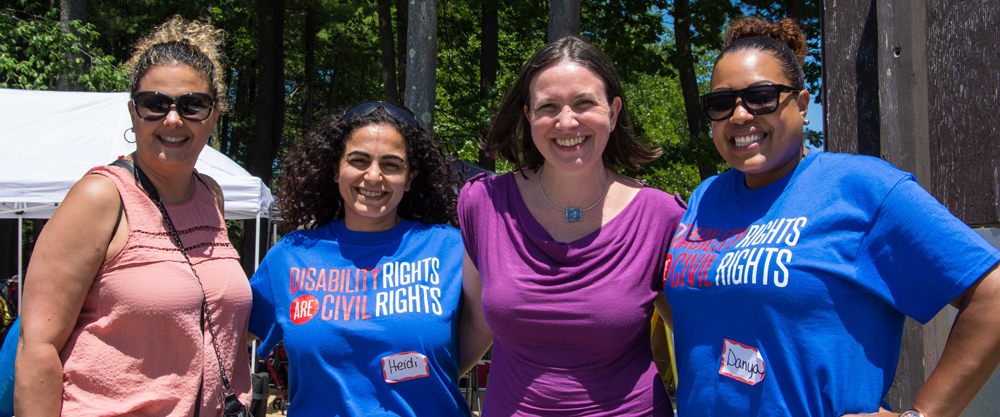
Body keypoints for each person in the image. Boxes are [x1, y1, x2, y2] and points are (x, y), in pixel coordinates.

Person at [664, 17, 1000, 417]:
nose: (739, 115)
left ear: (803, 104)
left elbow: (992, 296)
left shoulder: (860, 188)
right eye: (721, 103)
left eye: (762, 96)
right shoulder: (705, 198)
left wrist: (923, 415)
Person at [15, 16, 252, 416]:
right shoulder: (101, 197)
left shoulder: (211, 195)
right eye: (155, 104)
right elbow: (37, 349)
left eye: (192, 105)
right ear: (133, 112)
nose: (173, 119)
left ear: (214, 116)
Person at [458, 36, 685, 416]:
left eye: (584, 103)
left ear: (613, 112)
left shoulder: (661, 217)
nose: (567, 121)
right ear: (528, 115)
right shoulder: (483, 204)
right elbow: (477, 330)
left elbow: (696, 336)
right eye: (548, 106)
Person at [248, 102, 471, 416]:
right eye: (358, 160)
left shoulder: (452, 249)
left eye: (392, 164)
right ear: (336, 169)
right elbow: (223, 337)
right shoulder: (290, 257)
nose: (374, 176)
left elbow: (489, 327)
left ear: (409, 178)